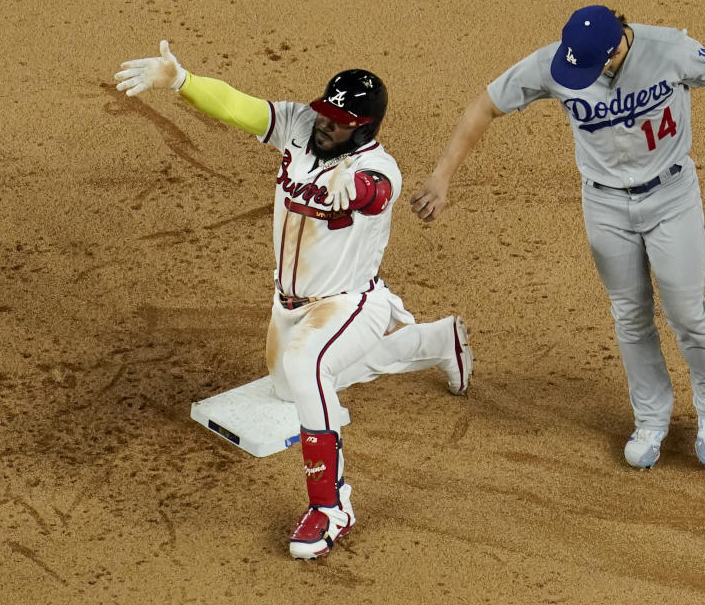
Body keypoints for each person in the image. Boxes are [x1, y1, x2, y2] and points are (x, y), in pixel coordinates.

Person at [114, 41, 474, 558]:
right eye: (327, 113)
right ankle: (437, 342)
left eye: (341, 121)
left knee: (307, 369)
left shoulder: (380, 168)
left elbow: (376, 191)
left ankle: (332, 507)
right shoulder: (300, 127)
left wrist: (359, 187)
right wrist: (181, 81)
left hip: (348, 304)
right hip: (290, 306)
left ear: (366, 127)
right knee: (291, 389)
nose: (326, 125)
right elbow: (241, 106)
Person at [411, 5, 705, 469]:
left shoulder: (669, 49)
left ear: (613, 50)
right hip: (604, 204)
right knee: (629, 315)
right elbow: (484, 106)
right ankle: (651, 418)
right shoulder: (554, 62)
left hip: (672, 196)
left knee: (687, 313)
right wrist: (442, 176)